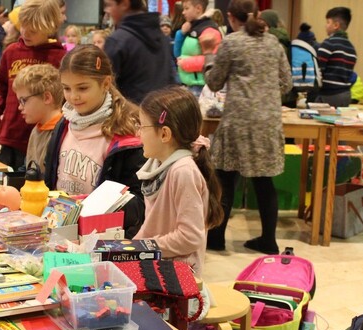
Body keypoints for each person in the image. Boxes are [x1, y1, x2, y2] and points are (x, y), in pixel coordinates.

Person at [204, 0, 291, 254]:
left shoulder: (232, 42)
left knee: (225, 178)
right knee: (264, 181)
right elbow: (286, 83)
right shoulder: (273, 42)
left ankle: (217, 238)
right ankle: (268, 241)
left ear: (231, 17)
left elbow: (215, 82)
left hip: (238, 121)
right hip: (268, 122)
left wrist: (209, 59)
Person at [44, 45, 146, 237]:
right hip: (61, 230)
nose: (73, 97)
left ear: (106, 83)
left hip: (102, 237)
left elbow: (139, 202)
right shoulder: (63, 124)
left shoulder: (128, 134)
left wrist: (101, 212)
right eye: (66, 88)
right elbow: (50, 177)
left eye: (82, 88)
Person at [133, 86, 223, 274]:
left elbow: (190, 237)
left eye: (142, 127)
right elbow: (153, 226)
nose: (138, 134)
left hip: (177, 278)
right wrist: (130, 247)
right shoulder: (161, 165)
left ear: (164, 134)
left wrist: (143, 246)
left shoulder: (182, 171)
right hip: (157, 266)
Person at [0, 0, 65, 171]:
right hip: (10, 135)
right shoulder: (11, 52)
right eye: (23, 26)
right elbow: (1, 89)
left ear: (49, 27)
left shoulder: (59, 57)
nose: (25, 33)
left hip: (44, 137)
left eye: (33, 30)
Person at [102, 0, 176, 104]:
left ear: (125, 4)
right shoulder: (162, 37)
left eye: (109, 5)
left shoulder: (117, 41)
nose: (106, 10)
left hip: (129, 116)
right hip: (160, 113)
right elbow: (171, 80)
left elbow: (106, 88)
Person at [12, 63, 63, 174]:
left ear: (46, 97)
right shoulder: (37, 130)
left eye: (23, 100)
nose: (20, 107)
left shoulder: (62, 134)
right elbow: (28, 169)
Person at [172, 0, 221, 97]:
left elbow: (213, 59)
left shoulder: (209, 30)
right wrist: (181, 34)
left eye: (186, 8)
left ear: (198, 8)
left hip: (201, 87)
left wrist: (185, 63)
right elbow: (177, 53)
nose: (183, 12)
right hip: (190, 85)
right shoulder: (191, 27)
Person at [315, 6, 355, 107]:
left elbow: (318, 69)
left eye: (328, 22)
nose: (326, 25)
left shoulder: (328, 44)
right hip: (345, 95)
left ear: (336, 25)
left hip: (328, 95)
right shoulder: (351, 48)